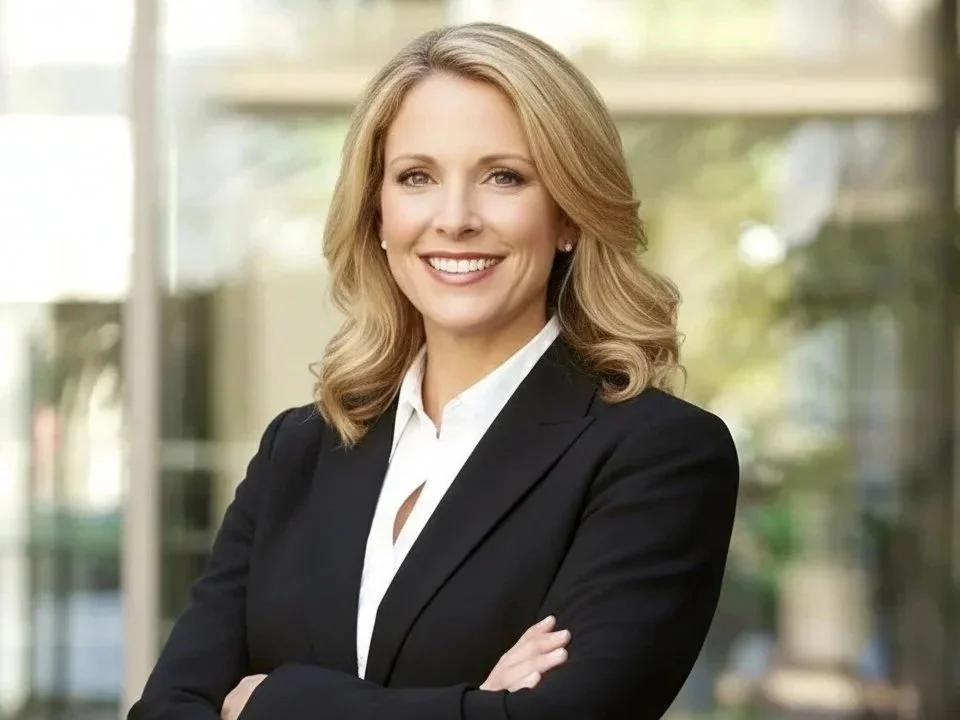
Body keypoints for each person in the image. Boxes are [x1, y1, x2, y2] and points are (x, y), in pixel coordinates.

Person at [129, 21, 739, 720]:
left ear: (568, 215)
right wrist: (473, 704)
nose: (454, 218)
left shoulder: (656, 455)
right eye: (417, 177)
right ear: (378, 212)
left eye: (503, 177)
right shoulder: (299, 451)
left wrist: (275, 702)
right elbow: (165, 710)